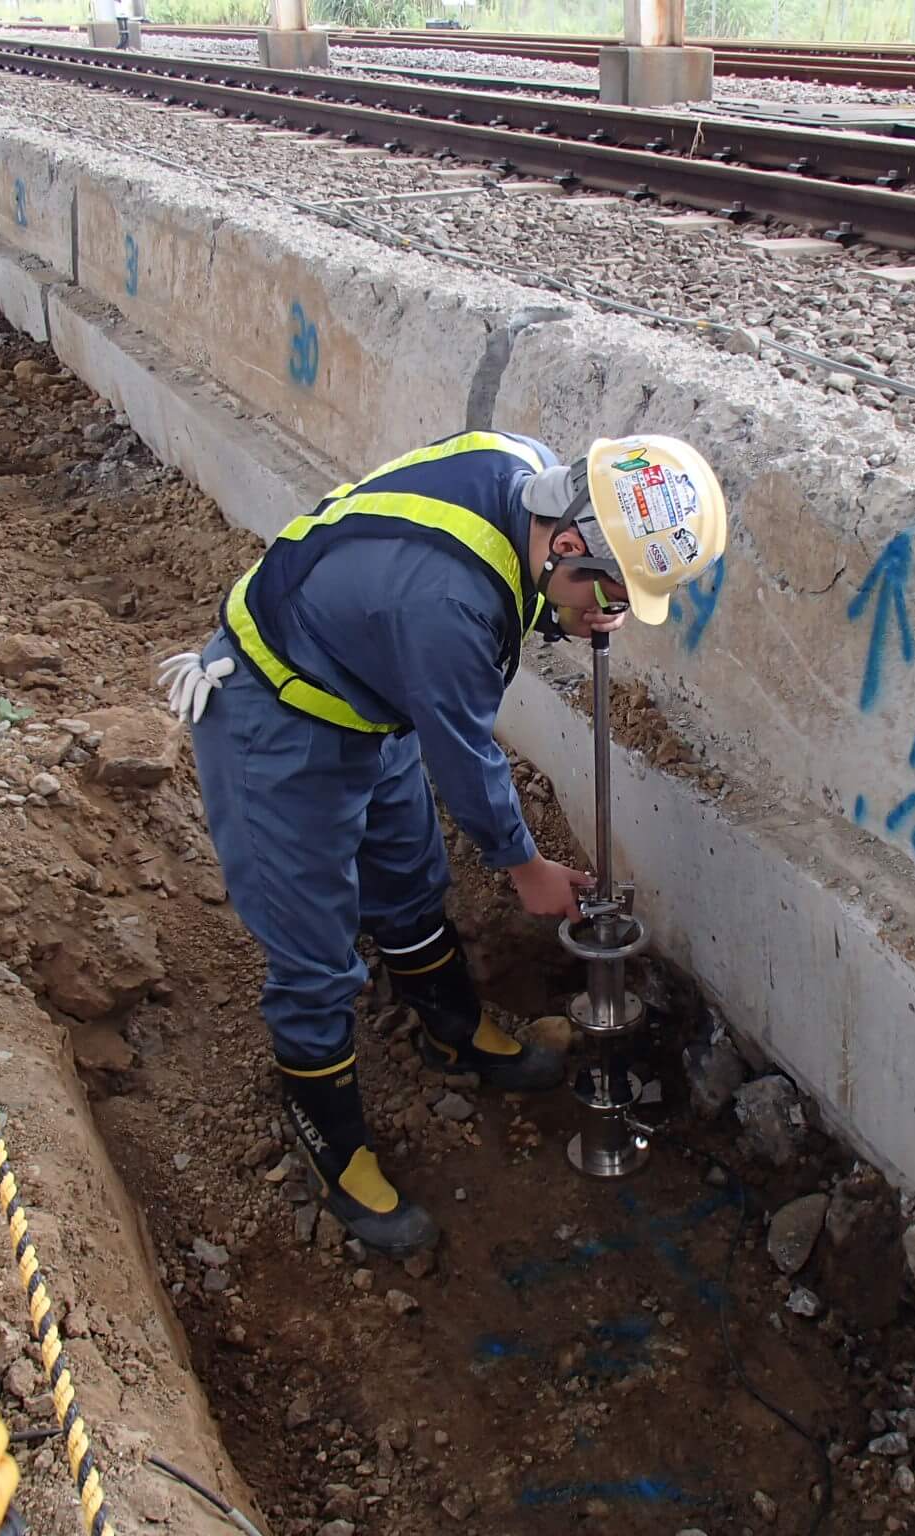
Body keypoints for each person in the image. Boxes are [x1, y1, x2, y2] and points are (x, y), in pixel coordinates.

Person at [158, 429, 726, 1256]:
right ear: (568, 539)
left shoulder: (522, 472)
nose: (599, 609)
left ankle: (452, 1032)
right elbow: (465, 755)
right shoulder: (448, 607)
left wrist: (569, 603)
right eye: (598, 587)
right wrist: (524, 865)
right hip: (274, 717)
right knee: (315, 954)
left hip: (366, 687)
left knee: (409, 880)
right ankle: (334, 1147)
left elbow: (492, 624)